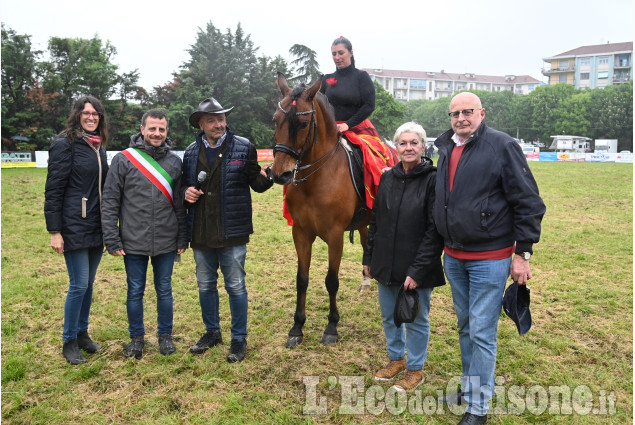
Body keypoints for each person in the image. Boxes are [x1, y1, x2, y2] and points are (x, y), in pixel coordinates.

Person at [433, 92, 546, 425]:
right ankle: (471, 390)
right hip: (453, 257)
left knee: (482, 331)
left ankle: (478, 408)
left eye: (467, 112)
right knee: (467, 327)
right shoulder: (446, 148)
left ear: (482, 113)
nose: (461, 118)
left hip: (490, 257)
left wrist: (522, 253)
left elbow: (529, 202)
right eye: (454, 113)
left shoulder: (502, 146)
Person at [182, 97, 273, 363]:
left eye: (221, 118)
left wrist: (270, 176)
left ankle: (238, 339)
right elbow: (183, 188)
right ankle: (212, 333)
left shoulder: (244, 147)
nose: (218, 124)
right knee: (205, 285)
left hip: (232, 231)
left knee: (235, 286)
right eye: (211, 120)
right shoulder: (189, 152)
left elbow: (256, 183)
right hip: (200, 231)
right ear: (200, 123)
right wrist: (184, 193)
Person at [362, 122, 445, 392]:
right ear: (395, 147)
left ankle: (415, 369)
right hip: (385, 261)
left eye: (414, 143)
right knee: (390, 316)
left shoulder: (433, 179)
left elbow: (435, 230)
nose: (408, 148)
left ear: (423, 146)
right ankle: (396, 360)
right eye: (403, 143)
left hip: (418, 266)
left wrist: (418, 270)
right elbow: (375, 221)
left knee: (416, 319)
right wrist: (369, 257)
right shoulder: (388, 177)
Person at [101, 109, 188, 359]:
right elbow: (110, 202)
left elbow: (179, 204)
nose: (157, 133)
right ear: (142, 130)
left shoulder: (174, 162)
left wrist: (182, 237)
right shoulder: (123, 159)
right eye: (152, 128)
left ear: (166, 131)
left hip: (166, 238)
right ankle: (137, 339)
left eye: (161, 129)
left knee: (165, 290)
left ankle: (165, 337)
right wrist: (112, 239)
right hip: (132, 240)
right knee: (134, 291)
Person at [44, 96, 109, 365]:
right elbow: (53, 190)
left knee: (88, 285)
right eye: (86, 113)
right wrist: (55, 230)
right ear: (77, 115)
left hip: (96, 225)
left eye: (95, 113)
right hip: (73, 225)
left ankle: (82, 334)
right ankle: (69, 340)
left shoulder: (98, 145)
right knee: (78, 284)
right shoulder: (64, 144)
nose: (91, 117)